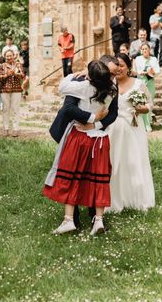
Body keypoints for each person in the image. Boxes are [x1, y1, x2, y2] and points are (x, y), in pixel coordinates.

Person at [43, 60, 117, 236]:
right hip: (101, 139)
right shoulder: (113, 89)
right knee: (99, 180)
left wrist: (74, 74)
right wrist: (96, 123)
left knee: (71, 176)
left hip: (80, 137)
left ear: (89, 76)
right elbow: (113, 112)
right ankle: (98, 220)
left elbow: (62, 87)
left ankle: (69, 220)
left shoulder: (83, 86)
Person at [107, 53, 155, 212]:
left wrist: (144, 109)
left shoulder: (138, 84)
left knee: (133, 161)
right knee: (114, 162)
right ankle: (114, 199)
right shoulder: (109, 84)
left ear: (128, 67)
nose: (118, 68)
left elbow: (150, 104)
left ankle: (136, 198)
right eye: (116, 65)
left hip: (133, 129)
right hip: (112, 129)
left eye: (121, 65)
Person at [0, 49, 24, 136]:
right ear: (5, 57)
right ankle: (6, 128)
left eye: (10, 55)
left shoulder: (18, 65)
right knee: (5, 109)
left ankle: (16, 129)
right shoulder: (2, 66)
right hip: (4, 90)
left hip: (16, 90)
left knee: (15, 109)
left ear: (13, 56)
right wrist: (7, 74)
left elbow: (23, 75)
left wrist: (15, 74)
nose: (9, 57)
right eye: (7, 56)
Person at [133, 43, 159, 131]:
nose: (144, 50)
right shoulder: (138, 59)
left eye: (146, 49)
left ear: (149, 49)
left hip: (150, 82)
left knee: (149, 102)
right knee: (142, 102)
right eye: (143, 49)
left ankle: (149, 122)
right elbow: (136, 71)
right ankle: (145, 124)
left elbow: (157, 70)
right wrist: (143, 72)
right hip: (141, 82)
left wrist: (152, 71)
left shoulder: (154, 59)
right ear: (141, 50)